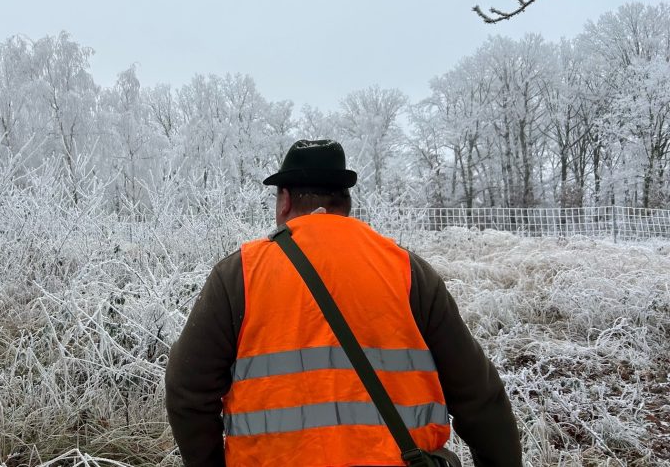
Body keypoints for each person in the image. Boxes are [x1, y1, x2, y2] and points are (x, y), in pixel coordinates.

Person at [165, 139, 522, 467]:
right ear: (346, 202)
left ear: (285, 200)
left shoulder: (238, 275)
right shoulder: (407, 271)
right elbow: (480, 397)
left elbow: (187, 390)